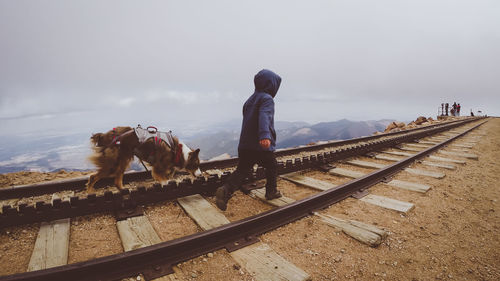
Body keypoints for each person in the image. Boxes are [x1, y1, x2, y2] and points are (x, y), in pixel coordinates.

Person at [215, 69, 282, 211]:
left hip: (245, 145)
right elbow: (264, 116)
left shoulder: (249, 100)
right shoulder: (267, 99)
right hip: (260, 145)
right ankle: (271, 192)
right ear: (271, 84)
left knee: (242, 170)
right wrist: (265, 135)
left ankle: (225, 191)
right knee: (272, 166)